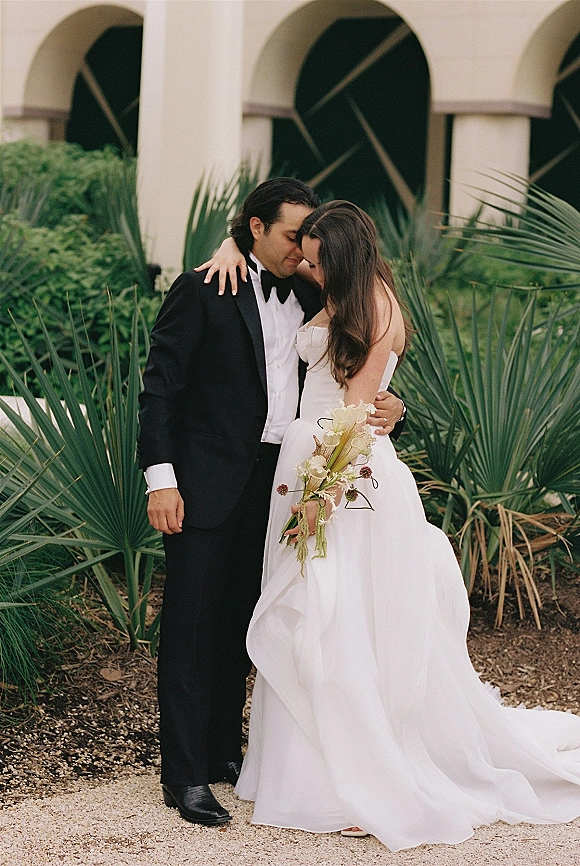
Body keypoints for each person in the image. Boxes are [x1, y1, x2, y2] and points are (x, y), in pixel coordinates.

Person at [224, 201, 580, 850]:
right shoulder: (336, 287)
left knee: (341, 621)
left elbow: (358, 415)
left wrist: (321, 496)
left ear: (344, 252)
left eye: (315, 254)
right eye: (303, 252)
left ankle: (363, 777)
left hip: (346, 475)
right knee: (318, 616)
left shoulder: (375, 305)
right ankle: (297, 772)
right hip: (311, 459)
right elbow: (263, 266)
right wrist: (228, 249)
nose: (305, 264)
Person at [137, 179, 405, 827]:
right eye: (291, 236)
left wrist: (396, 410)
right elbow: (161, 390)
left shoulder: (317, 286)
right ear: (253, 229)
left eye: (308, 240)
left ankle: (226, 752)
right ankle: (184, 776)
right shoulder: (204, 287)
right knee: (192, 624)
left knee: (246, 622)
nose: (302, 252)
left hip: (287, 478)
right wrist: (161, 479)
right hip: (203, 480)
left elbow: (358, 367)